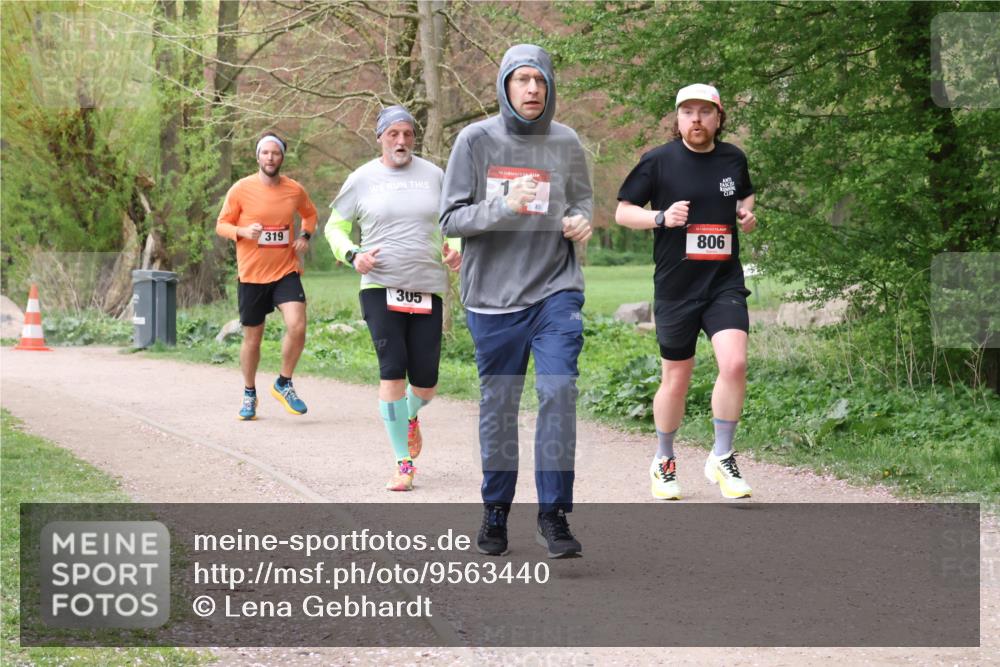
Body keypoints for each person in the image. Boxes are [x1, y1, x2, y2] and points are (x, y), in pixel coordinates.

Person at [440, 44, 593, 558]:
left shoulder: (567, 141)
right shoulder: (475, 140)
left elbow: (581, 199)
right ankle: (496, 509)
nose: (532, 89)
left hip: (555, 289)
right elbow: (451, 219)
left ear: (549, 86)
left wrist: (579, 220)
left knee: (558, 391)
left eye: (540, 81)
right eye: (522, 79)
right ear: (505, 85)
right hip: (493, 298)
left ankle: (553, 513)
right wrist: (503, 205)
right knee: (500, 405)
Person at [615, 83, 757, 500]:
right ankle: (663, 460)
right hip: (676, 287)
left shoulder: (733, 158)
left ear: (719, 116)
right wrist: (661, 217)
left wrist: (746, 214)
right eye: (687, 112)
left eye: (704, 112)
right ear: (677, 120)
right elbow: (623, 212)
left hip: (723, 283)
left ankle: (722, 455)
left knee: (734, 364)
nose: (696, 119)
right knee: (676, 378)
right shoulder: (658, 162)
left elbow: (744, 196)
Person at [325, 106, 462, 492]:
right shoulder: (362, 178)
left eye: (407, 134)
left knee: (426, 383)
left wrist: (454, 249)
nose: (401, 141)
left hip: (427, 288)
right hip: (379, 285)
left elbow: (452, 223)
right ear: (380, 137)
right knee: (392, 370)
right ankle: (403, 463)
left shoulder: (435, 175)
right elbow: (334, 227)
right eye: (393, 134)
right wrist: (353, 254)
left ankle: (410, 416)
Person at [216, 131, 318, 420]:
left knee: (297, 325)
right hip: (251, 275)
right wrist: (242, 232)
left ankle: (284, 382)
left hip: (285, 270)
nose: (270, 158)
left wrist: (305, 235)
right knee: (253, 339)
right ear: (258, 156)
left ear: (282, 157)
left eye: (276, 153)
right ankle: (249, 392)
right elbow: (221, 224)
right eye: (266, 153)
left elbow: (310, 214)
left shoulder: (294, 189)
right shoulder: (240, 189)